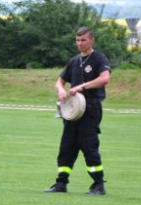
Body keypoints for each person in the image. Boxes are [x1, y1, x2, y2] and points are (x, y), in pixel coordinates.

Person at [44, 27, 111, 195]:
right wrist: (61, 90)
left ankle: (98, 185)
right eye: (78, 40)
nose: (80, 43)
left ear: (92, 40)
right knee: (67, 146)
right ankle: (61, 183)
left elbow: (105, 78)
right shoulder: (74, 61)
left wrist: (82, 86)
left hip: (90, 107)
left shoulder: (98, 59)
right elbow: (59, 81)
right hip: (72, 109)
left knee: (89, 147)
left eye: (83, 40)